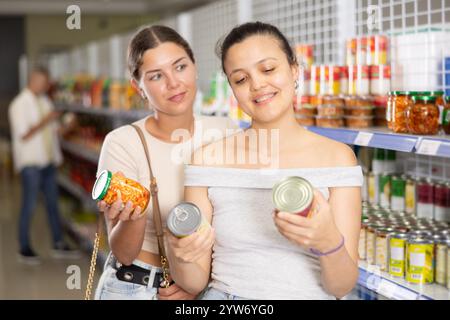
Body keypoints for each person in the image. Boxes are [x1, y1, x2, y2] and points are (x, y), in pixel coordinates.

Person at [166, 21, 363, 300]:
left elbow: (341, 286)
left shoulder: (338, 157)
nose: (257, 85)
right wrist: (182, 252)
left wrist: (328, 241)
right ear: (232, 89)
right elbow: (195, 282)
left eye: (268, 69)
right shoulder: (206, 160)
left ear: (294, 69)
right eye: (241, 79)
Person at [94, 25, 235, 300]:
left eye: (180, 67)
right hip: (136, 286)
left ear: (194, 66)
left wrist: (195, 283)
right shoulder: (123, 142)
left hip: (209, 286)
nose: (173, 83)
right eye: (157, 76)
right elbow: (123, 252)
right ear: (139, 88)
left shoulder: (227, 131)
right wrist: (133, 215)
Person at [8, 66, 80, 264]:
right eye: (44, 82)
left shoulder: (45, 101)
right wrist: (47, 119)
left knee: (52, 204)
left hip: (48, 162)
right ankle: (24, 247)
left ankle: (58, 243)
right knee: (29, 206)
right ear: (34, 80)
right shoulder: (19, 104)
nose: (46, 86)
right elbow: (24, 134)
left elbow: (54, 132)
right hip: (31, 164)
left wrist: (68, 126)